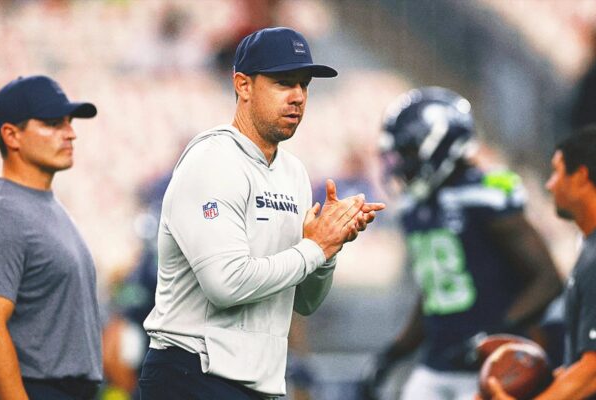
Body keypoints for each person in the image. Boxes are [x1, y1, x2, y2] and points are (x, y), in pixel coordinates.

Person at [138, 26, 385, 400]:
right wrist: (315, 248)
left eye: (304, 85)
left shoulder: (293, 172)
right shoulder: (213, 160)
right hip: (193, 373)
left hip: (254, 381)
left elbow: (304, 302)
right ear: (243, 85)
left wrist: (329, 249)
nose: (298, 96)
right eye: (283, 82)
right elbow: (225, 284)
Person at [360, 87, 563, 400]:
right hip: (437, 361)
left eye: (409, 151)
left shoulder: (484, 194)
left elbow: (547, 279)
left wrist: (492, 334)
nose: (401, 163)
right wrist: (395, 352)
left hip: (491, 366)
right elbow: (436, 288)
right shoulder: (415, 206)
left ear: (440, 144)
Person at [0, 75, 102, 399]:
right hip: (39, 388)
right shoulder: (5, 212)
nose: (70, 133)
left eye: (69, 122)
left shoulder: (45, 205)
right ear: (11, 135)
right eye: (54, 123)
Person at [485, 125, 596, 400]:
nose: (550, 184)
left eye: (556, 172)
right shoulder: (588, 247)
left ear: (581, 176)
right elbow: (580, 367)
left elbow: (592, 372)